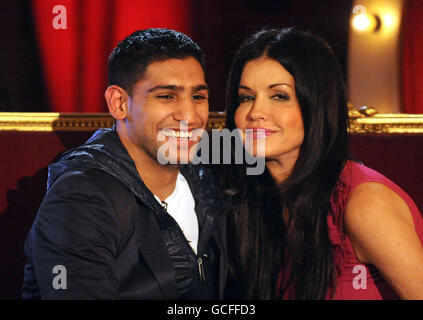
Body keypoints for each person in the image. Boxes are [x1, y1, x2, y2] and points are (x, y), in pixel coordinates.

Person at [22, 28, 227, 299]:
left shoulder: (206, 175)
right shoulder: (79, 200)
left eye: (198, 97)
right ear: (119, 103)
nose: (190, 115)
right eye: (166, 96)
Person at [223, 27, 423, 300]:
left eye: (279, 96)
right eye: (246, 97)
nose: (256, 112)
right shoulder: (252, 204)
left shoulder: (364, 204)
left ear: (316, 104)